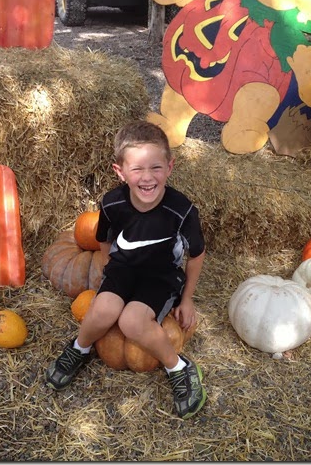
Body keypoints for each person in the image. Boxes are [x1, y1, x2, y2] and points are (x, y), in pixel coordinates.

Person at [45, 120, 207, 419]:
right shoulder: (112, 203)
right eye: (137, 169)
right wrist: (111, 271)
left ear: (170, 167)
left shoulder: (181, 210)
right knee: (102, 309)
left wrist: (187, 299)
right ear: (120, 171)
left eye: (156, 167)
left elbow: (196, 255)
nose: (147, 177)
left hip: (161, 274)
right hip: (123, 268)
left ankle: (179, 368)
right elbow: (104, 239)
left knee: (132, 321)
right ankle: (79, 348)